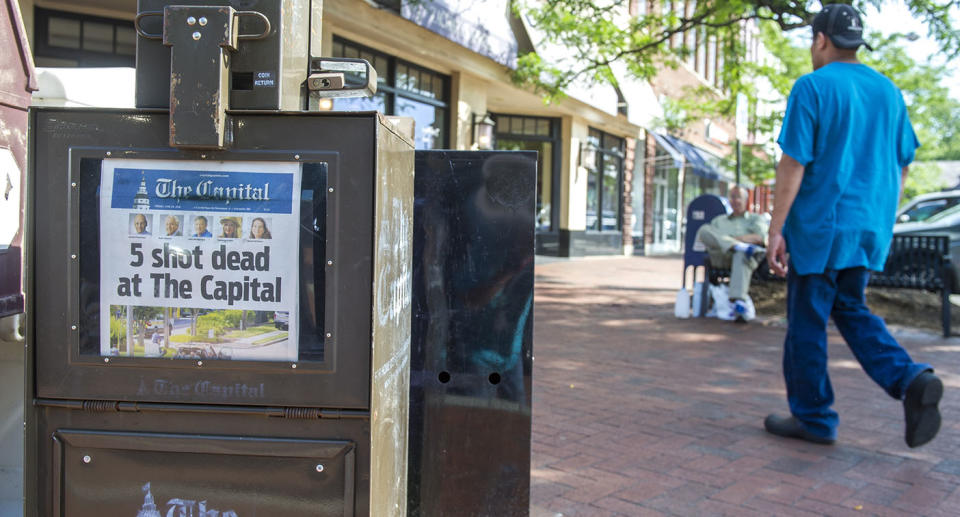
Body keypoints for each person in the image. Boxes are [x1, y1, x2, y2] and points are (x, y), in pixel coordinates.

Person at [765, 4, 942, 448]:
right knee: (850, 307)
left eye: (811, 40)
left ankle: (813, 418)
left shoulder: (812, 86)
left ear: (821, 40)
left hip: (820, 228)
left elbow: (794, 163)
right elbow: (903, 164)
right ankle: (910, 378)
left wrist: (776, 228)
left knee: (806, 322)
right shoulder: (889, 92)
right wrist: (881, 217)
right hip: (866, 230)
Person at [695, 186, 768, 322]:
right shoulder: (719, 220)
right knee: (704, 229)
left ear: (746, 200)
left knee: (740, 254)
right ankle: (736, 247)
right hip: (721, 256)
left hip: (745, 258)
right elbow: (708, 237)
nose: (735, 200)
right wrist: (735, 243)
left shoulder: (755, 219)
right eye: (732, 197)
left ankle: (738, 301)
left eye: (738, 197)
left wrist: (728, 239)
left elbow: (759, 238)